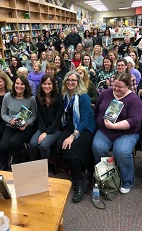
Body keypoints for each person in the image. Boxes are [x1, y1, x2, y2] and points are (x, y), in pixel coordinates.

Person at [92, 73, 142, 194]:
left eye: (120, 87)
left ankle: (127, 181)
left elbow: (134, 121)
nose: (116, 89)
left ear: (128, 86)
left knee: (121, 151)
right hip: (105, 131)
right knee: (97, 147)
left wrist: (114, 126)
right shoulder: (105, 93)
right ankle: (103, 176)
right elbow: (97, 109)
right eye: (115, 86)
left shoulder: (134, 100)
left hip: (127, 133)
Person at [57, 71, 96, 203]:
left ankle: (80, 182)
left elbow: (84, 120)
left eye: (73, 80)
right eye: (68, 80)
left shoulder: (83, 97)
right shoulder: (65, 95)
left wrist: (73, 136)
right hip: (72, 124)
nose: (70, 82)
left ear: (78, 82)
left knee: (71, 148)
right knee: (60, 143)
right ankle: (75, 168)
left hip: (86, 127)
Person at [0, 75, 37, 170]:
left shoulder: (31, 99)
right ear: (13, 84)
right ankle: (4, 167)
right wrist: (9, 120)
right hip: (10, 125)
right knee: (2, 147)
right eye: (17, 83)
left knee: (13, 143)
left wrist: (27, 123)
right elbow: (3, 114)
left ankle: (19, 167)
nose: (19, 86)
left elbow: (34, 116)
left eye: (22, 84)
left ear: (26, 86)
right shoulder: (7, 97)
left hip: (25, 127)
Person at [29, 75, 63, 160]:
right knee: (33, 143)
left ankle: (44, 169)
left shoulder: (59, 98)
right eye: (44, 84)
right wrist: (43, 130)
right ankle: (34, 166)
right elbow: (39, 117)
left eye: (49, 84)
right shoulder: (39, 97)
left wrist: (46, 133)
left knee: (44, 145)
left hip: (56, 128)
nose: (46, 86)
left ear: (53, 85)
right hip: (42, 127)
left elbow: (57, 120)